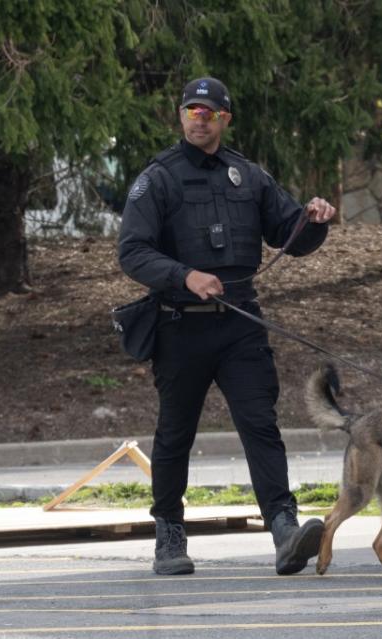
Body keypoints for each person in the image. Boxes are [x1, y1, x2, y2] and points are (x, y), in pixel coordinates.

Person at [118, 77, 336, 576]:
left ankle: (284, 529)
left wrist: (315, 219)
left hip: (240, 325)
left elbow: (290, 236)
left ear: (224, 119)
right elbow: (132, 251)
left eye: (208, 112)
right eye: (190, 110)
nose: (198, 118)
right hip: (180, 325)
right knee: (175, 434)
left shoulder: (249, 175)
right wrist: (184, 275)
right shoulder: (159, 178)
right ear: (180, 116)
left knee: (260, 425)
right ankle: (169, 535)